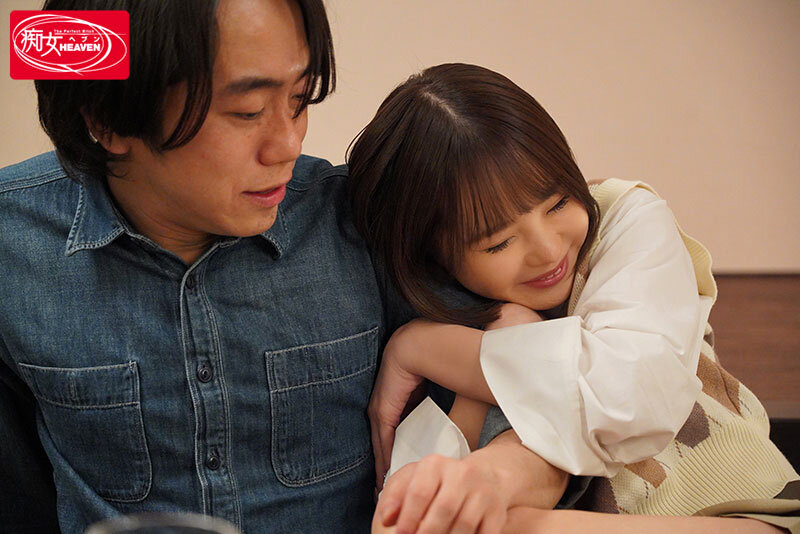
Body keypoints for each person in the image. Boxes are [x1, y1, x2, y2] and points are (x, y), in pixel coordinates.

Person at [0, 3, 573, 534]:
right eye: (247, 111)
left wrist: (493, 472)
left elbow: (556, 397)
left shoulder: (359, 221)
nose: (288, 144)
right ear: (106, 119)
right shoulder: (13, 244)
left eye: (300, 99)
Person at [347, 63, 800, 533]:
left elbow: (626, 399)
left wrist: (422, 347)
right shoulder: (462, 309)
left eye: (558, 202)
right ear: (433, 256)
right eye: (498, 242)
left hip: (751, 511)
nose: (547, 250)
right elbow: (420, 502)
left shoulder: (627, 219)